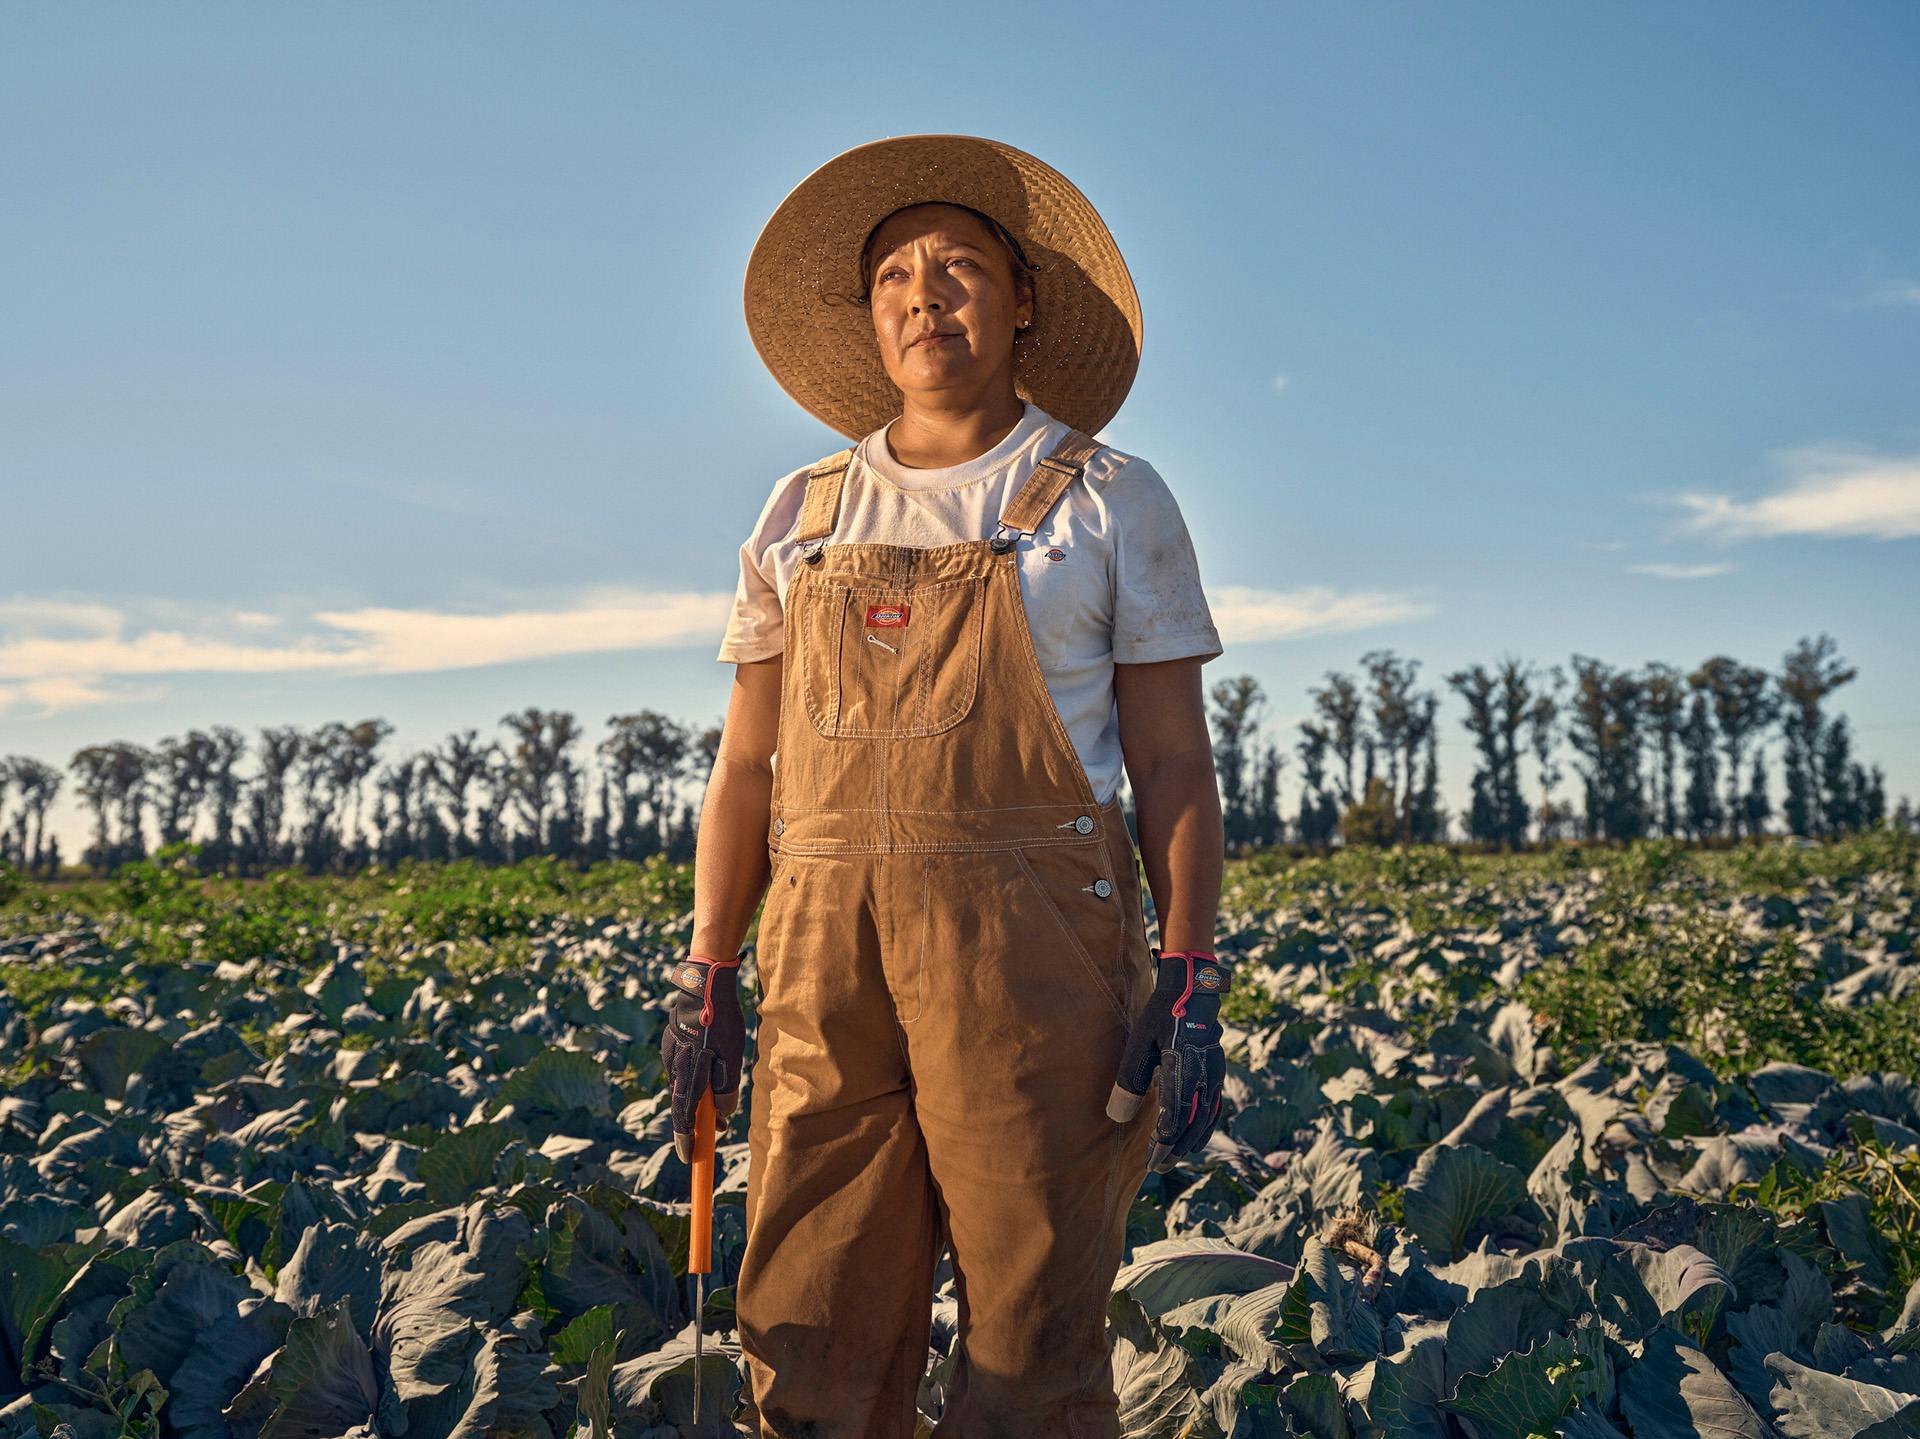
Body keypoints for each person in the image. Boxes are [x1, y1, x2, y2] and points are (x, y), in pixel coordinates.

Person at [661, 134, 1231, 1438]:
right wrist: (706, 967)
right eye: (898, 275)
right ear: (869, 316)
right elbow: (747, 762)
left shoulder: (1105, 499)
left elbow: (1173, 759)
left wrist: (1194, 972)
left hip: (1036, 964)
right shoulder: (799, 512)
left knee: (1032, 1353)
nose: (928, 294)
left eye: (962, 267)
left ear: (1023, 299)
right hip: (821, 964)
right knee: (807, 1335)